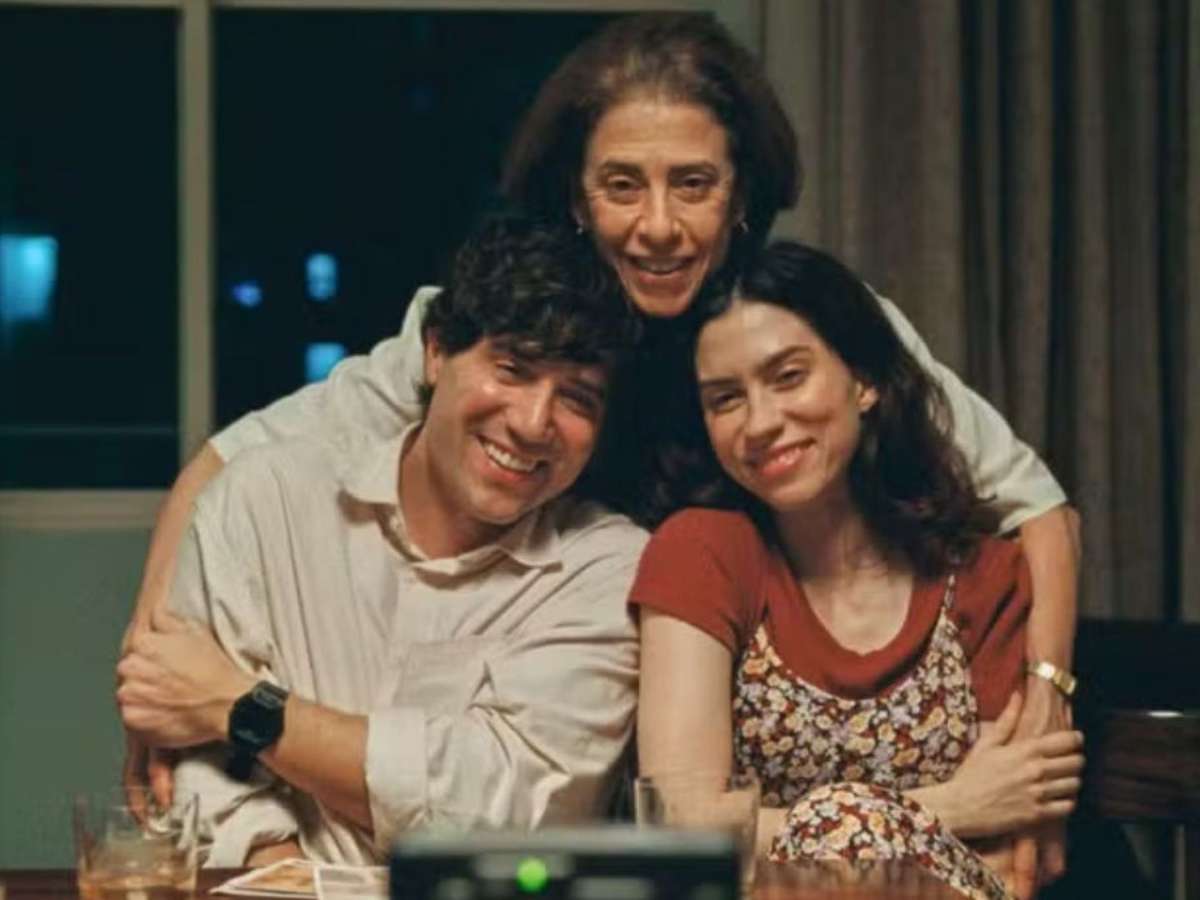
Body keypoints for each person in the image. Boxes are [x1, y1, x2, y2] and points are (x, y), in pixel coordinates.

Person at [121, 12, 1078, 886]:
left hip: (732, 758)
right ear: (575, 197)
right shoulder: (494, 322)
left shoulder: (808, 321)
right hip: (614, 768)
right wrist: (158, 665)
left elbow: (1037, 507)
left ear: (741, 194)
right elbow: (230, 464)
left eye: (693, 184)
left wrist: (1045, 698)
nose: (657, 226)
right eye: (622, 184)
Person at [115, 214, 648, 865]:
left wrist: (242, 707)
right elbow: (200, 760)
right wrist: (281, 874)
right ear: (435, 353)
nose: (535, 423)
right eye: (511, 369)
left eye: (578, 399)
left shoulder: (606, 569)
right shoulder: (263, 501)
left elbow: (509, 812)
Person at [631, 242, 1084, 900]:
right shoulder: (702, 553)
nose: (760, 423)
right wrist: (947, 808)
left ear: (864, 381)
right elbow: (681, 826)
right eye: (726, 400)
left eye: (789, 377)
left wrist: (838, 833)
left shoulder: (983, 573)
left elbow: (1011, 859)